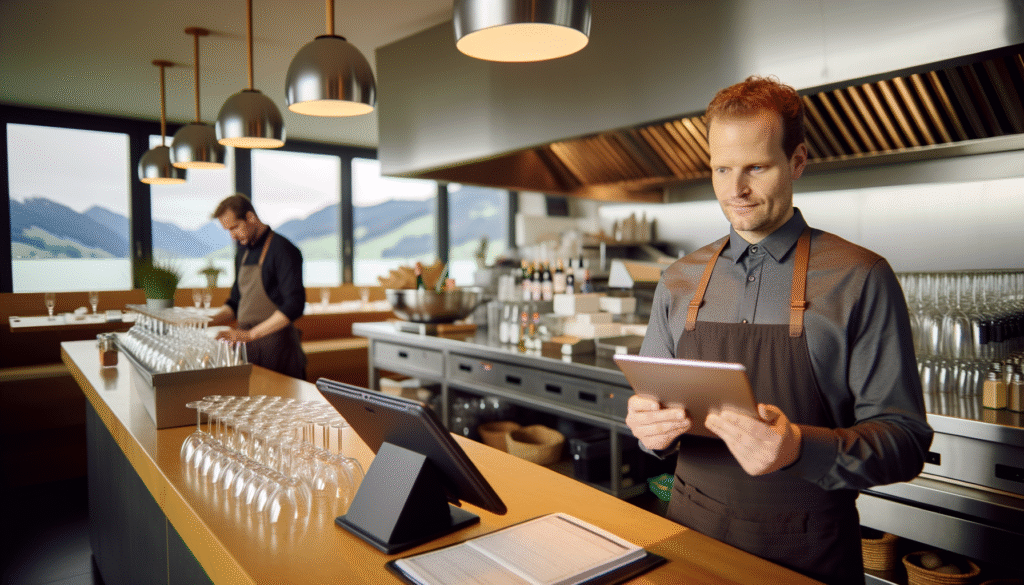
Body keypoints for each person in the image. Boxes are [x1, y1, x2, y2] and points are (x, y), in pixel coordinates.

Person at [625, 76, 933, 585]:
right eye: (721, 168)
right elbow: (652, 413)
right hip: (691, 537)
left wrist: (797, 448)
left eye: (756, 168)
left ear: (797, 162)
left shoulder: (860, 277)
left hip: (807, 551)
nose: (734, 190)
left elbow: (905, 442)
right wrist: (649, 432)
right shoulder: (678, 279)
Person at [208, 194, 307, 380]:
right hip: (246, 349)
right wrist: (205, 320)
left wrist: (251, 334)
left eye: (235, 227)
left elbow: (294, 305)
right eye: (228, 231)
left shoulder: (283, 249)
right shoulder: (242, 252)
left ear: (251, 217)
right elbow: (235, 302)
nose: (233, 236)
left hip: (278, 350)